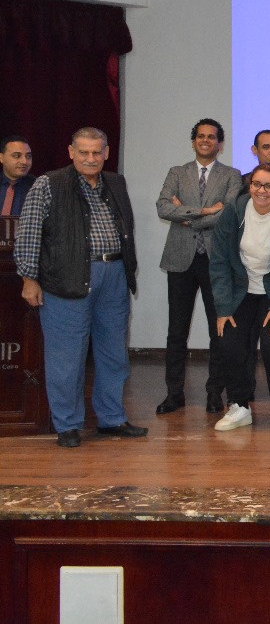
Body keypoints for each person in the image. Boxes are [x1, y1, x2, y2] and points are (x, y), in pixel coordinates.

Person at [15, 127, 147, 448]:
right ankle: (68, 424)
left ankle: (112, 418)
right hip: (66, 277)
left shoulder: (116, 182)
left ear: (106, 153)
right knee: (66, 356)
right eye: (84, 152)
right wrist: (29, 278)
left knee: (113, 353)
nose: (91, 158)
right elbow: (29, 232)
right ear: (71, 152)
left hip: (114, 276)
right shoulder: (48, 183)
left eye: (96, 152)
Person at [155, 118, 242, 416]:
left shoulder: (232, 175)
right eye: (200, 136)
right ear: (193, 141)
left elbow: (228, 213)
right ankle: (174, 394)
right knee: (176, 331)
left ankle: (214, 393)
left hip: (216, 262)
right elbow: (163, 207)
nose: (206, 141)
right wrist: (206, 210)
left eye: (212, 137)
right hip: (181, 259)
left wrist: (186, 214)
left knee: (219, 329)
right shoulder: (177, 172)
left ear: (220, 143)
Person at [208, 162, 270, 432]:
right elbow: (219, 262)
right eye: (257, 184)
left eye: (269, 186)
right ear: (249, 186)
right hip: (241, 290)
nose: (262, 191)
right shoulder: (233, 211)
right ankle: (239, 405)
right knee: (231, 344)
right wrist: (223, 307)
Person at [1, 135, 34, 217]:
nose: (24, 161)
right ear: (1, 158)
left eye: (28, 156)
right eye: (16, 156)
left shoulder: (37, 187)